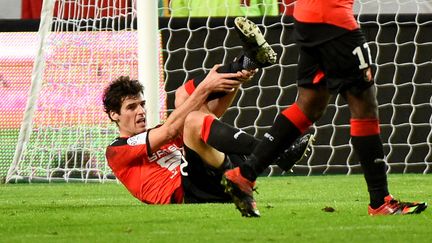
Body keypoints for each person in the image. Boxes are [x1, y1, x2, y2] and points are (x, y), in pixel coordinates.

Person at [222, 3, 428, 217]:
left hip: (309, 16)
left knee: (310, 103)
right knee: (364, 104)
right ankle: (380, 201)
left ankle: (245, 175)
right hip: (332, 16)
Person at [103, 17, 313, 205]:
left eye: (141, 104)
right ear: (114, 115)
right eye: (131, 107)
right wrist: (206, 87)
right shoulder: (116, 150)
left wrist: (239, 79)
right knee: (191, 116)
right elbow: (171, 129)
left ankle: (248, 61)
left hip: (216, 175)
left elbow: (210, 116)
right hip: (188, 194)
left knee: (183, 96)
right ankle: (277, 152)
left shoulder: (157, 133)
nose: (140, 111)